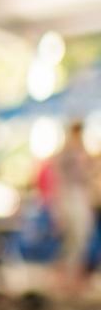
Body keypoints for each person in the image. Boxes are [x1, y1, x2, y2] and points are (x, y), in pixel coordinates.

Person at [49, 121, 94, 297]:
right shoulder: (67, 154)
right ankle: (65, 277)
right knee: (72, 237)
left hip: (78, 197)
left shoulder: (80, 152)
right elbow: (60, 180)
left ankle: (73, 276)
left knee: (80, 237)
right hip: (70, 197)